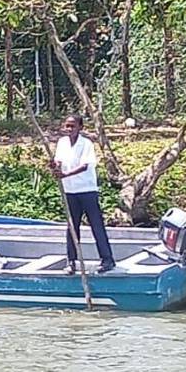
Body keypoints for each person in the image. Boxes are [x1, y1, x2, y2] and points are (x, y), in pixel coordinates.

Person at [51, 114, 116, 274]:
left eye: (72, 126)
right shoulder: (62, 143)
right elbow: (58, 161)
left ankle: (107, 260)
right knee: (72, 227)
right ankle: (71, 261)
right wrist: (55, 167)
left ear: (80, 127)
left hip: (87, 190)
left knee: (96, 225)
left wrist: (66, 175)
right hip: (70, 191)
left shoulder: (86, 144)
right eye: (67, 126)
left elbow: (85, 166)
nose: (69, 129)